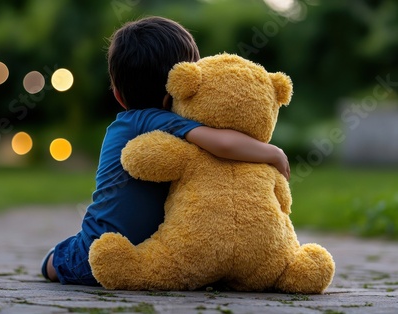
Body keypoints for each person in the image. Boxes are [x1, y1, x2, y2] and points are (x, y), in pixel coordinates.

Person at [41, 16, 290, 285]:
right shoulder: (148, 119)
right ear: (175, 91)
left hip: (135, 249)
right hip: (94, 253)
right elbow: (225, 143)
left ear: (118, 96)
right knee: (58, 260)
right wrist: (273, 153)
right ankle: (50, 261)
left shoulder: (138, 121)